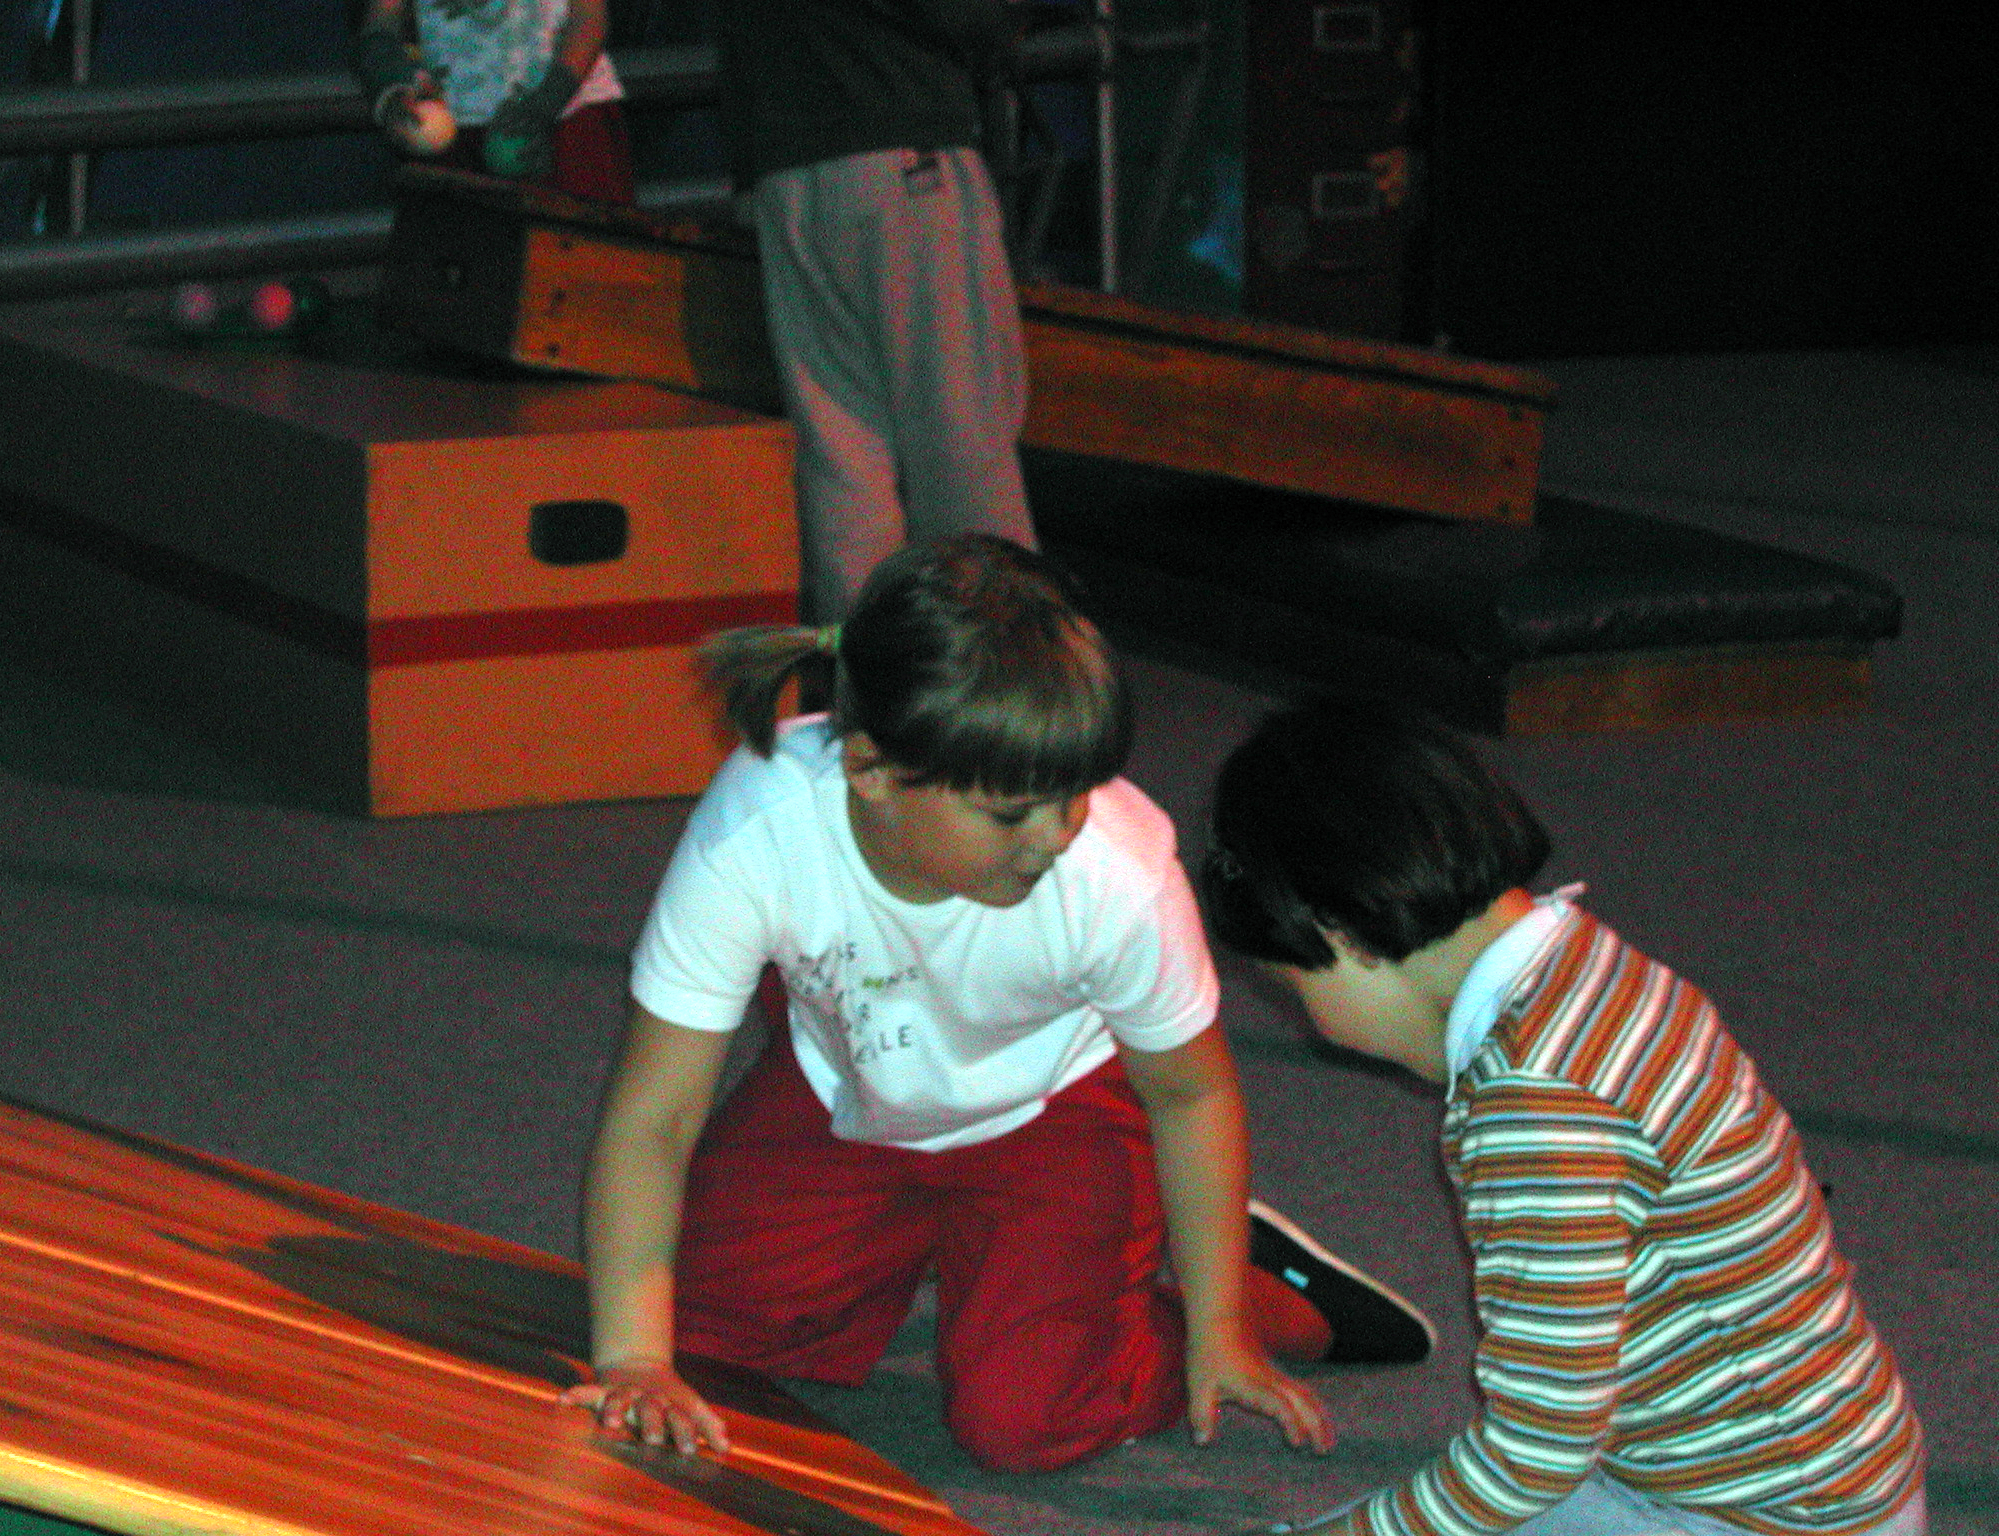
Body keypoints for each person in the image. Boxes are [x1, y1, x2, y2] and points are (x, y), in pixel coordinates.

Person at [561, 536, 1431, 1473]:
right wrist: (635, 1360)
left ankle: (1252, 1289)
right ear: (871, 772)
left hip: (1058, 1106)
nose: (1055, 837)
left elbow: (1192, 1094)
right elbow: (655, 1116)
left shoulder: (1118, 875)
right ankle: (951, 1250)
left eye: (1076, 794)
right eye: (1012, 812)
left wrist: (1220, 1328)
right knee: (693, 1329)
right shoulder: (759, 827)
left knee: (1025, 1421)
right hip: (855, 1086)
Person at [1200, 695, 1928, 1536]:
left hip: (1763, 1516)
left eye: (1297, 990)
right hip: (1809, 1474)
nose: (1314, 1025)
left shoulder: (1535, 1107)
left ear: (1344, 937)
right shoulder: (1589, 964)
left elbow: (1534, 1454)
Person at [710, 0, 1038, 622]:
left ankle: (864, 664)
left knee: (842, 455)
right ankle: (987, 661)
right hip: (903, 154)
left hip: (787, 175)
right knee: (959, 436)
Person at [354, 0, 634, 205]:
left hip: (569, 121)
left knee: (585, 257)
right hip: (453, 129)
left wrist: (546, 104)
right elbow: (381, 20)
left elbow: (589, 18)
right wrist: (390, 86)